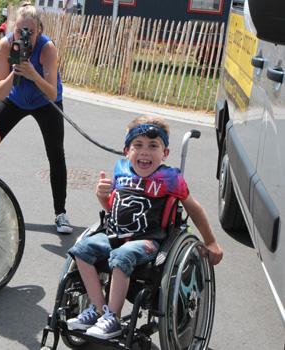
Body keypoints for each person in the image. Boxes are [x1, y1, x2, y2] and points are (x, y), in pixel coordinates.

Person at [66, 116, 223, 339]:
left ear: (165, 153)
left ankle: (113, 318)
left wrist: (210, 241)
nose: (145, 152)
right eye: (137, 146)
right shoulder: (121, 169)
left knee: (122, 255)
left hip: (149, 241)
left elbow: (194, 209)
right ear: (127, 151)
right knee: (81, 249)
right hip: (116, 234)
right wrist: (102, 196)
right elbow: (115, 209)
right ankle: (99, 310)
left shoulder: (170, 179)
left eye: (153, 146)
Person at [0, 4, 72, 234]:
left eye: (29, 32)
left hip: (44, 101)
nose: (23, 36)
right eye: (19, 31)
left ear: (39, 31)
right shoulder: (5, 45)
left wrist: (32, 74)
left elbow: (52, 93)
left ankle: (61, 213)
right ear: (12, 29)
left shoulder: (47, 48)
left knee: (56, 152)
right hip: (15, 99)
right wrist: (15, 72)